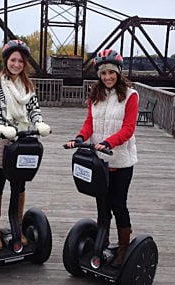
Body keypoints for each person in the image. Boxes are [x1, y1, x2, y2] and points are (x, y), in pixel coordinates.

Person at [65, 49, 139, 266]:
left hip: (121, 161)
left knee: (118, 204)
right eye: (103, 73)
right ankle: (102, 241)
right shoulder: (95, 95)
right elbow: (90, 123)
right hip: (100, 161)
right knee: (102, 204)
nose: (107, 77)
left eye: (111, 73)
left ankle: (124, 247)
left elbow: (128, 128)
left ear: (118, 73)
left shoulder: (130, 95)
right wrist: (79, 137)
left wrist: (109, 142)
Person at [0, 39, 51, 250]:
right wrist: (0, 128)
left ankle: (17, 227)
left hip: (22, 140)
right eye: (13, 60)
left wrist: (39, 122)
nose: (16, 64)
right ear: (6, 61)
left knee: (19, 184)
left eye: (20, 61)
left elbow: (34, 109)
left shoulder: (27, 85)